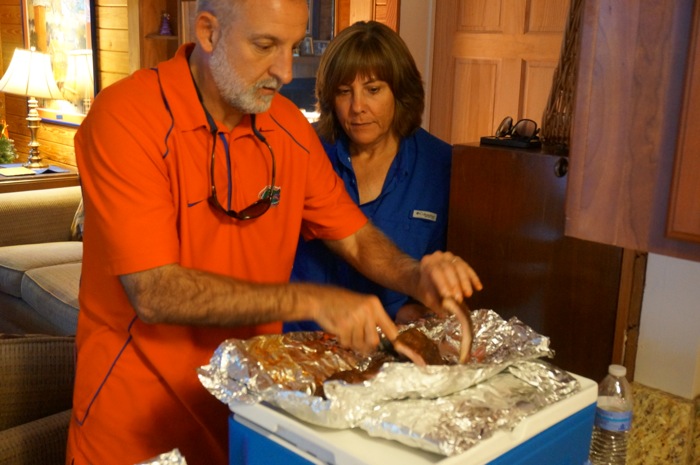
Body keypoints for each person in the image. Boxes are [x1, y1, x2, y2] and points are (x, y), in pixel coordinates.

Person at [66, 1, 482, 464]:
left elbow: (356, 238)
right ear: (208, 33)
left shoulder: (288, 128)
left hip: (249, 415)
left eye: (294, 47)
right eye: (265, 46)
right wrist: (311, 301)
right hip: (136, 426)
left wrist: (414, 274)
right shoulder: (126, 117)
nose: (284, 71)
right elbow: (154, 290)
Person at [285, 20, 453, 331]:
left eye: (373, 90)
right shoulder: (301, 151)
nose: (357, 107)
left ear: (400, 91)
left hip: (390, 347)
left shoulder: (443, 166)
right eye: (344, 92)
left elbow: (436, 274)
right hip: (301, 343)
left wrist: (412, 308)